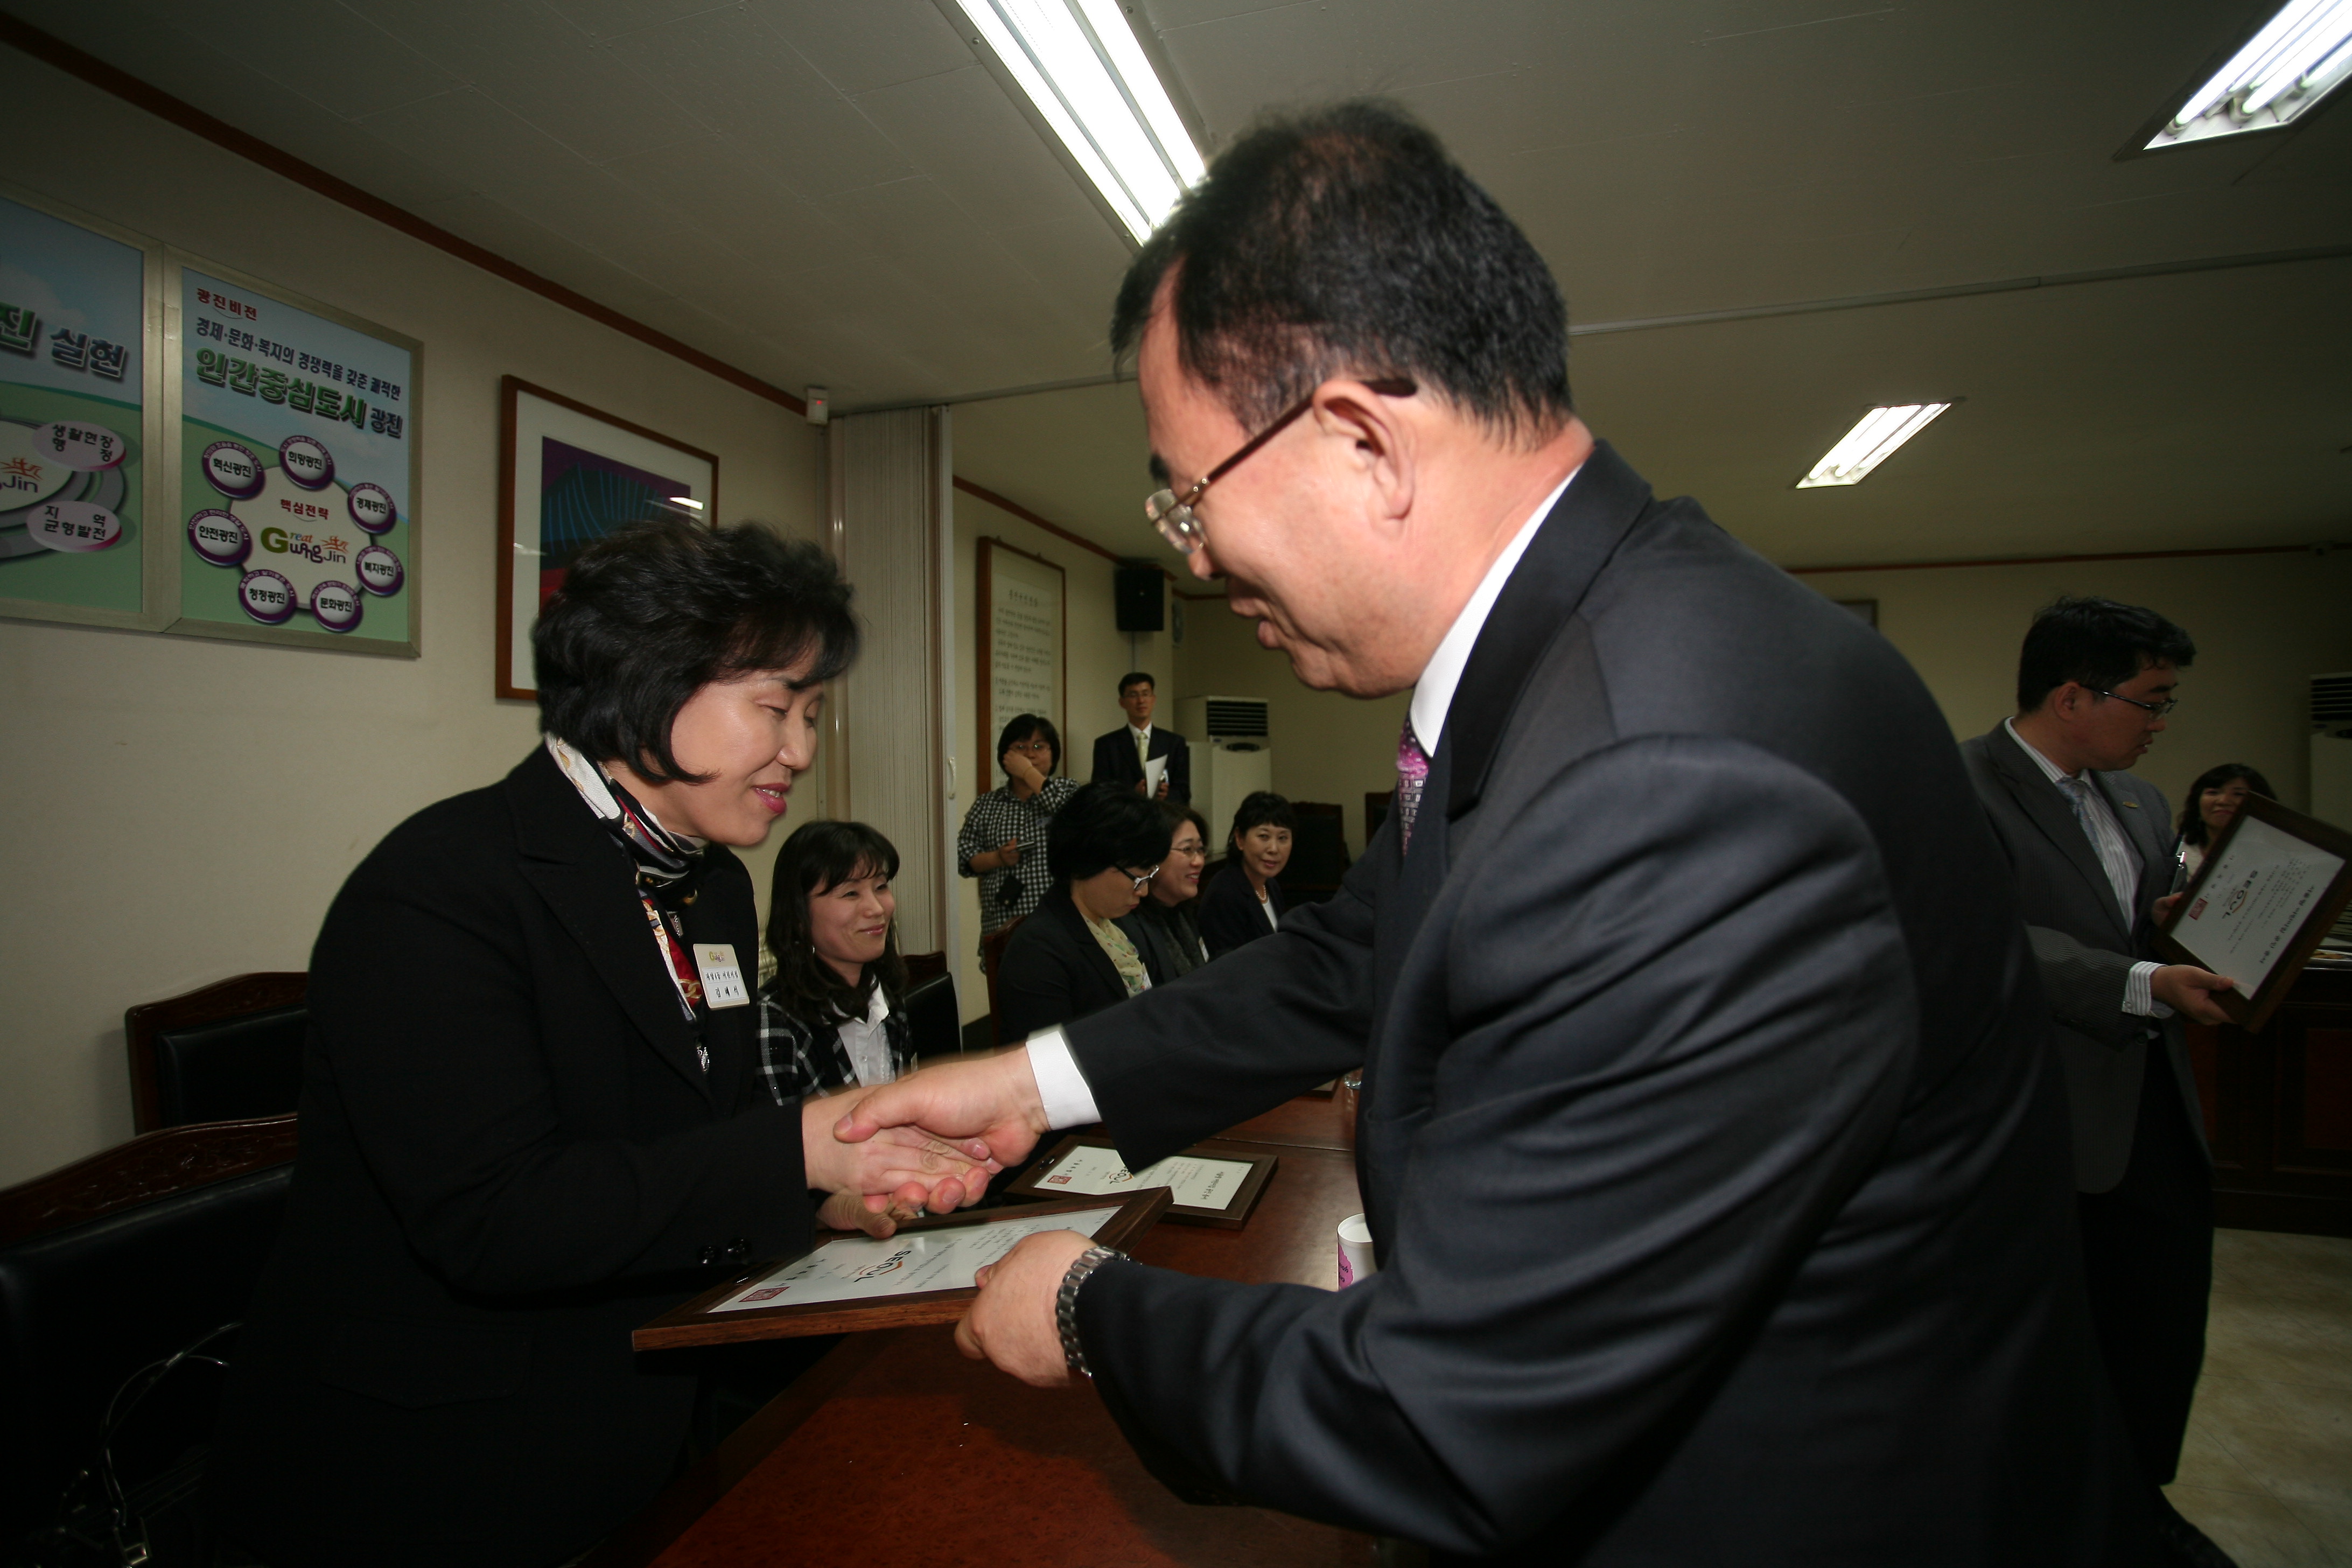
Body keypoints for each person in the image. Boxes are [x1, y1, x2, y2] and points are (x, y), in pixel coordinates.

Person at [836, 101, 2148, 1565]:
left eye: (1188, 499)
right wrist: (1034, 1083)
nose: (1192, 557)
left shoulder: (1668, 773)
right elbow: (1357, 950)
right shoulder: (1594, 645)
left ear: (1359, 439)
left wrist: (1088, 1310)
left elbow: (1452, 1419)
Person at [205, 520, 992, 1568]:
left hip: (647, 1415)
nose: (801, 750)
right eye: (774, 709)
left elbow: (680, 1139)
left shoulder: (709, 882)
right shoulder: (442, 886)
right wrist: (795, 1147)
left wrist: (824, 1198)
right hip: (438, 1465)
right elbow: (496, 1216)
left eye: (811, 714)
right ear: (645, 685)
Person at [1960, 597, 2238, 1567]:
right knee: (2049, 1335)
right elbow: (1981, 938)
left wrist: (2177, 927)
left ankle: (2132, 1497)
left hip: (2152, 1098)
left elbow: (2130, 924)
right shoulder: (1960, 786)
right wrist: (2137, 979)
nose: (2160, 724)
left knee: (2157, 1317)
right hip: (2042, 1115)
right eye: (2148, 701)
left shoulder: (2139, 801)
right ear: (2071, 695)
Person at [992, 783, 1172, 1044]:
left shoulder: (1120, 925)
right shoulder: (1038, 951)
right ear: (1089, 860)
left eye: (1149, 876)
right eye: (1137, 878)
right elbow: (1051, 1069)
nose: (1143, 892)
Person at [757, 819, 915, 1105]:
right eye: (851, 893)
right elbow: (781, 1142)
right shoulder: (774, 1022)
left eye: (881, 887)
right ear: (799, 913)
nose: (877, 908)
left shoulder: (886, 995)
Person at [957, 714, 1077, 955]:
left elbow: (1072, 816)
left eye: (1038, 747)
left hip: (1062, 925)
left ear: (1053, 753)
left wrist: (1028, 772)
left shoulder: (1066, 790)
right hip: (1003, 925)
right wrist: (997, 858)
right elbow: (963, 857)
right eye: (1021, 747)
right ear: (1005, 756)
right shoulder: (987, 804)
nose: (1030, 754)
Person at [1121, 799, 1210, 983]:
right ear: (1153, 854)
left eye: (1200, 850)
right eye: (1187, 849)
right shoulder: (1129, 927)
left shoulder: (1188, 913)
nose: (1199, 861)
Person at [1196, 789, 1292, 956]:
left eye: (1283, 838)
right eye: (1264, 836)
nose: (1274, 849)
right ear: (1240, 839)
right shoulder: (1225, 893)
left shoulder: (1270, 885)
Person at [1089, 671, 1191, 802]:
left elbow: (1184, 793)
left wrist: (1167, 794)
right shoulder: (1107, 745)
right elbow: (1099, 794)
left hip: (1162, 817)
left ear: (1153, 699)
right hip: (1125, 818)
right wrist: (1132, 793)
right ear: (1122, 703)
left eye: (1145, 694)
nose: (1141, 701)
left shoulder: (1174, 743)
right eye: (1133, 695)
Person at [2175, 762, 2277, 880]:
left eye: (2238, 794)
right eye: (2213, 792)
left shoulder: (2274, 858)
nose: (2224, 801)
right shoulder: (2178, 852)